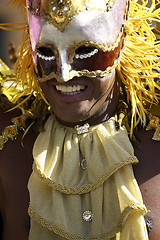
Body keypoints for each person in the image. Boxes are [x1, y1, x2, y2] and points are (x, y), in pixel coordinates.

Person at [0, 0, 160, 239]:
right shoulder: (10, 143)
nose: (64, 74)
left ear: (122, 40)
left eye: (85, 50)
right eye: (46, 51)